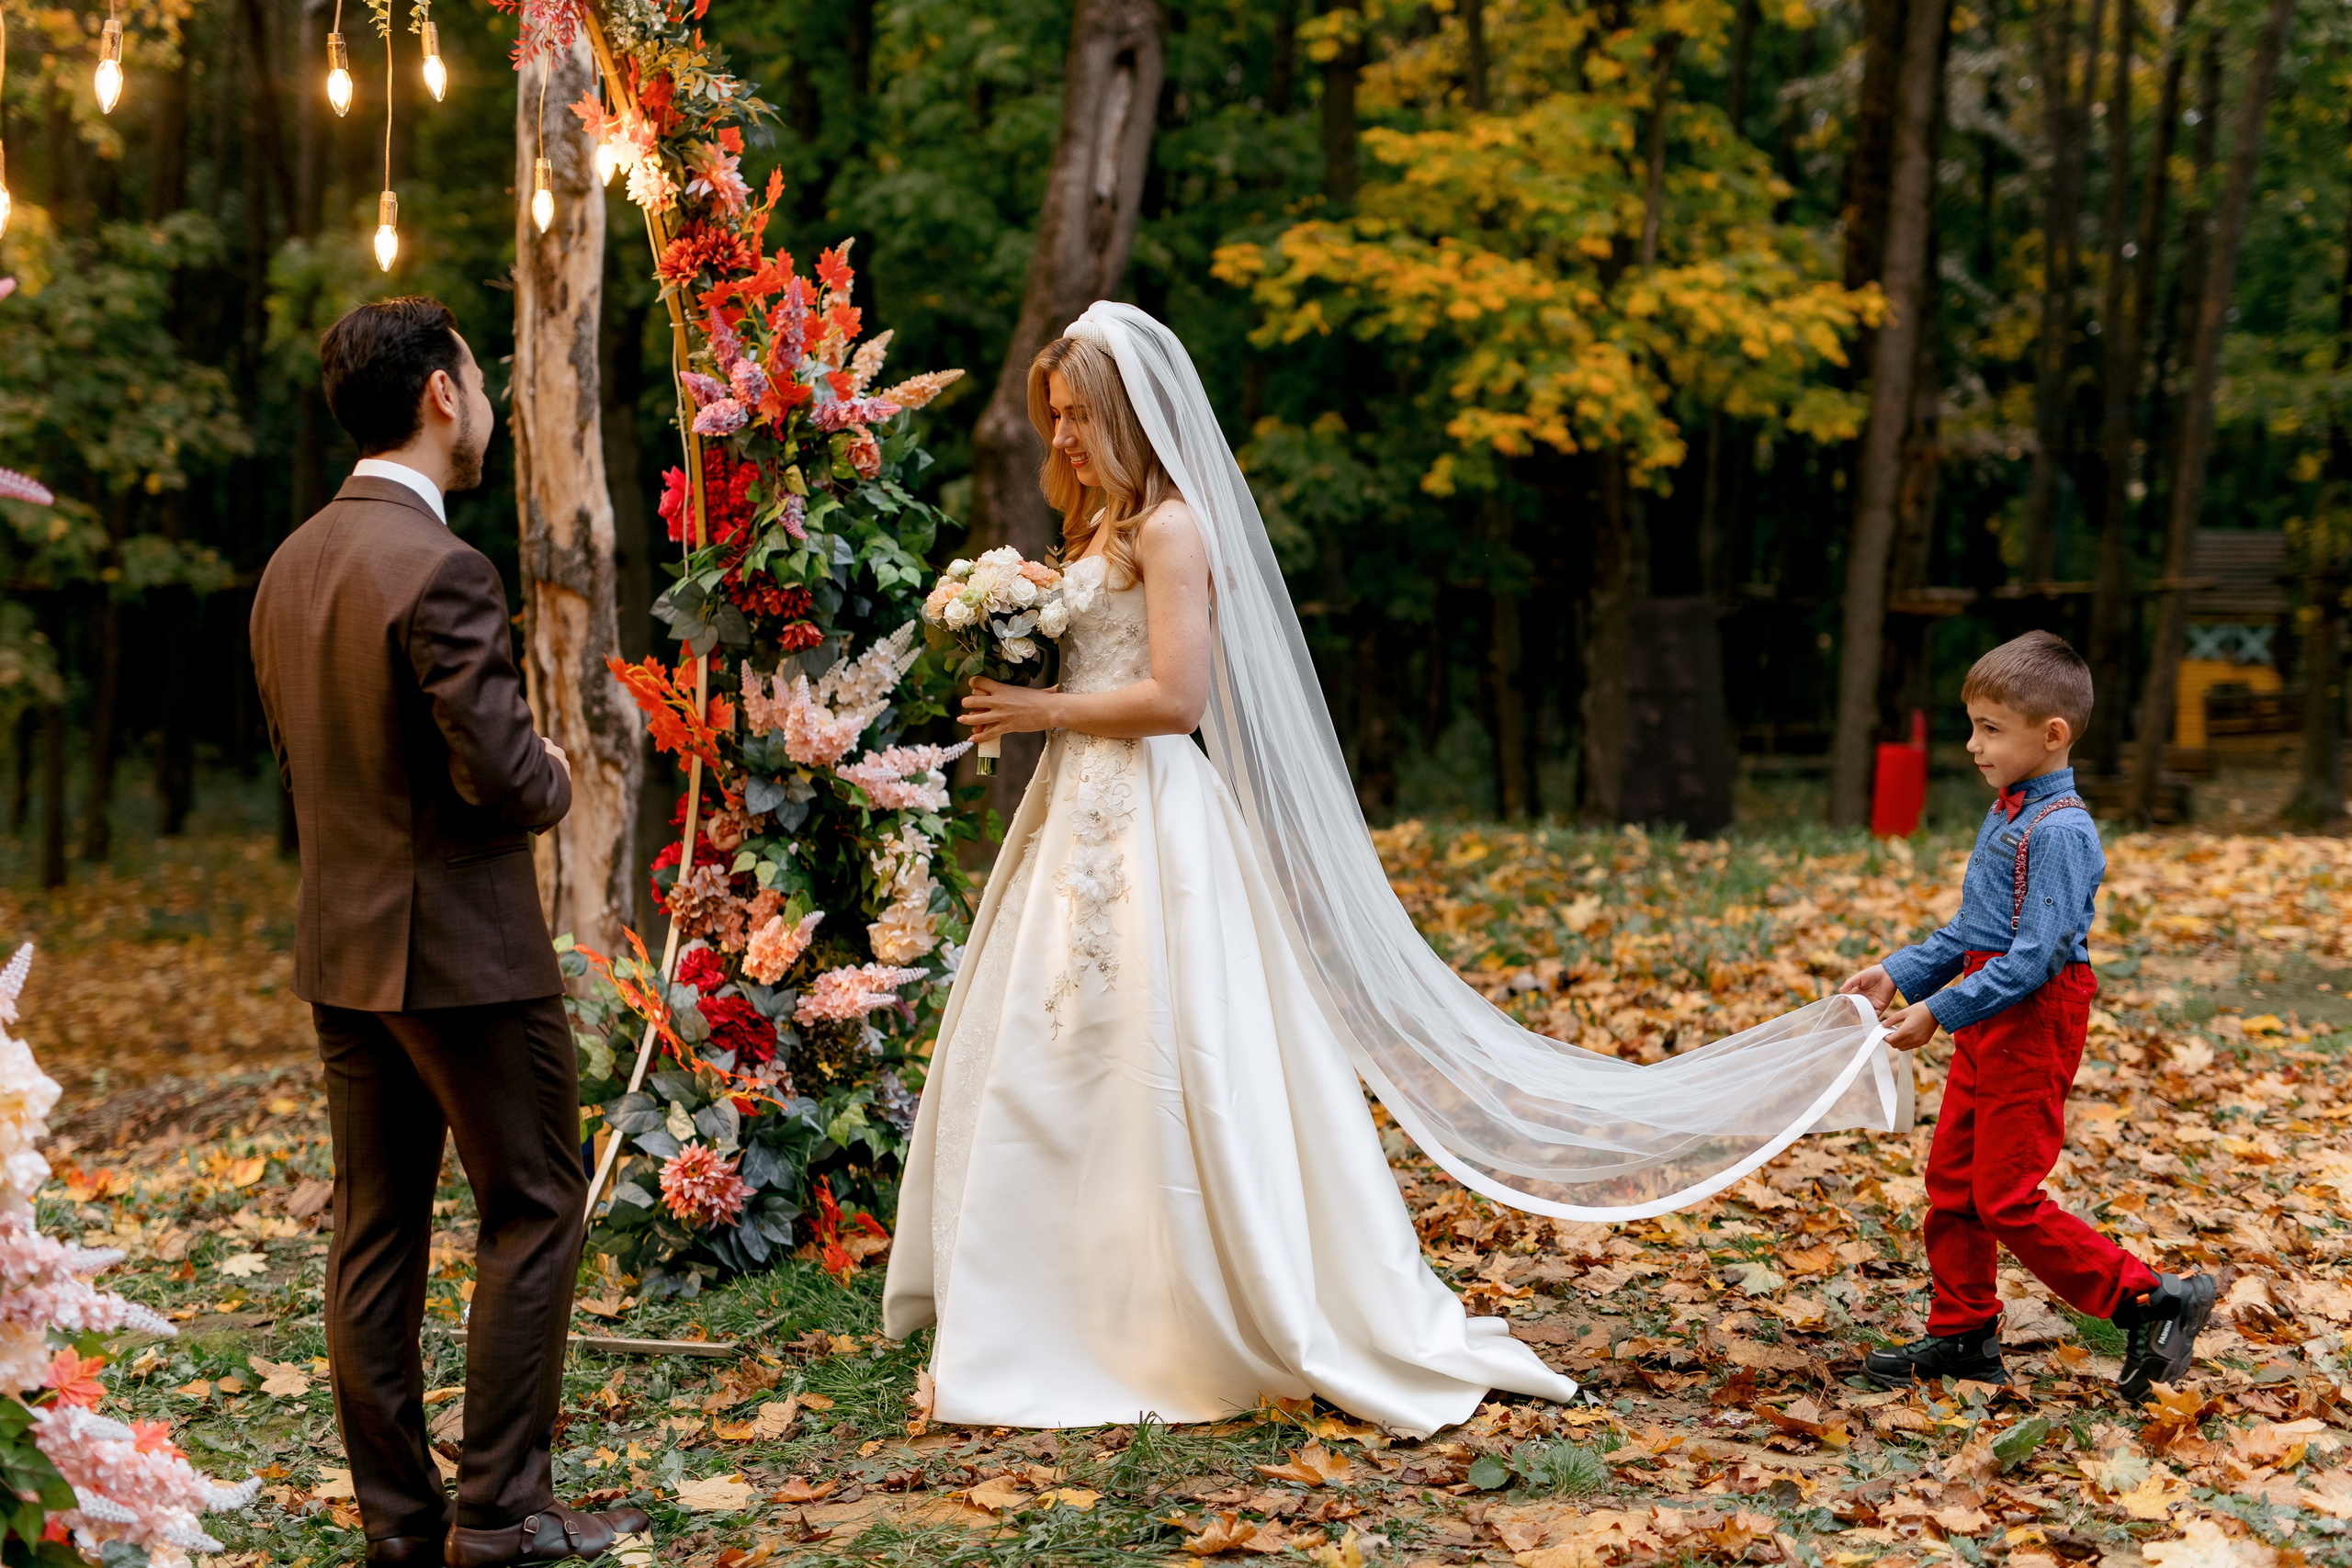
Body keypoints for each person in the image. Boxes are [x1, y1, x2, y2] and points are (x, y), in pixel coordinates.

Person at [880, 303, 1905, 1433]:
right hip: (1072, 811)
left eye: (1078, 417)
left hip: (1149, 820)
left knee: (1158, 1058)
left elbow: (1177, 700)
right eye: (1055, 418)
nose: (1061, 439)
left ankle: (1166, 1314)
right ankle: (1046, 1297)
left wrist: (1041, 704)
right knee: (1054, 1051)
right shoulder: (1093, 534)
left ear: (1128, 417)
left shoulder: (1172, 528)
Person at [250, 297, 649, 1568]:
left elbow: (303, 764)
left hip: (343, 945)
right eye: (478, 381)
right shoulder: (444, 567)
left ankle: (399, 1523)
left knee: (377, 1225)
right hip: (465, 954)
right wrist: (560, 771)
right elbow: (499, 775)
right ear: (440, 393)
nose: (486, 403)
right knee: (535, 1200)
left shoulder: (291, 564)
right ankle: (502, 1513)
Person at [1841, 631, 2217, 1400]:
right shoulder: (2006, 812)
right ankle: (1963, 1334)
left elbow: (2035, 957)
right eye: (1973, 724)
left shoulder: (2060, 831)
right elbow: (1974, 933)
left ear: (2051, 735)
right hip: (1989, 1008)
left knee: (2006, 1194)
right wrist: (1898, 973)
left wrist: (1939, 1011)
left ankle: (2151, 1298)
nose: (1973, 744)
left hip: (2033, 1016)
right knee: (1953, 1180)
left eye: (1990, 728)